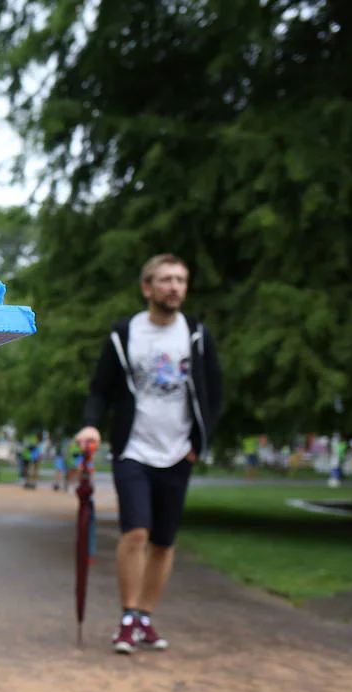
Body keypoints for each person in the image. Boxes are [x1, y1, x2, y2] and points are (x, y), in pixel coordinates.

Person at [75, 253, 223, 654]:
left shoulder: (195, 334)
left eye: (181, 279)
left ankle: (145, 617)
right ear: (148, 288)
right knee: (136, 531)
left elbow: (215, 393)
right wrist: (91, 423)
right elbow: (99, 390)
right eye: (166, 279)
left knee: (163, 541)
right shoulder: (125, 334)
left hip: (178, 452)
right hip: (134, 449)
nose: (175, 286)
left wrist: (197, 444)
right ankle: (126, 618)